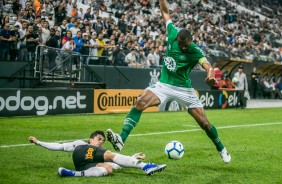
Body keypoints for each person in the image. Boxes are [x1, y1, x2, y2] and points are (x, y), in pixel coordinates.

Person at [107, 0, 231, 164]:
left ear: (190, 41)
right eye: (181, 44)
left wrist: (210, 74)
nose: (183, 47)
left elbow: (207, 65)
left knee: (205, 123)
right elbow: (165, 13)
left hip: (184, 89)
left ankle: (221, 148)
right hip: (164, 85)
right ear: (177, 39)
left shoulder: (194, 50)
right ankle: (121, 139)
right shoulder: (172, 33)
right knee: (140, 102)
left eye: (185, 45)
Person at [28, 130, 166, 177]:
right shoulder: (81, 144)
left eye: (103, 140)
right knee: (111, 156)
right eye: (99, 139)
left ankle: (70, 174)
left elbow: (117, 164)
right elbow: (58, 147)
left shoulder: (97, 153)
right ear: (91, 139)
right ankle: (146, 166)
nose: (101, 142)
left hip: (84, 166)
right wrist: (39, 142)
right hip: (81, 153)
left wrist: (132, 157)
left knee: (110, 168)